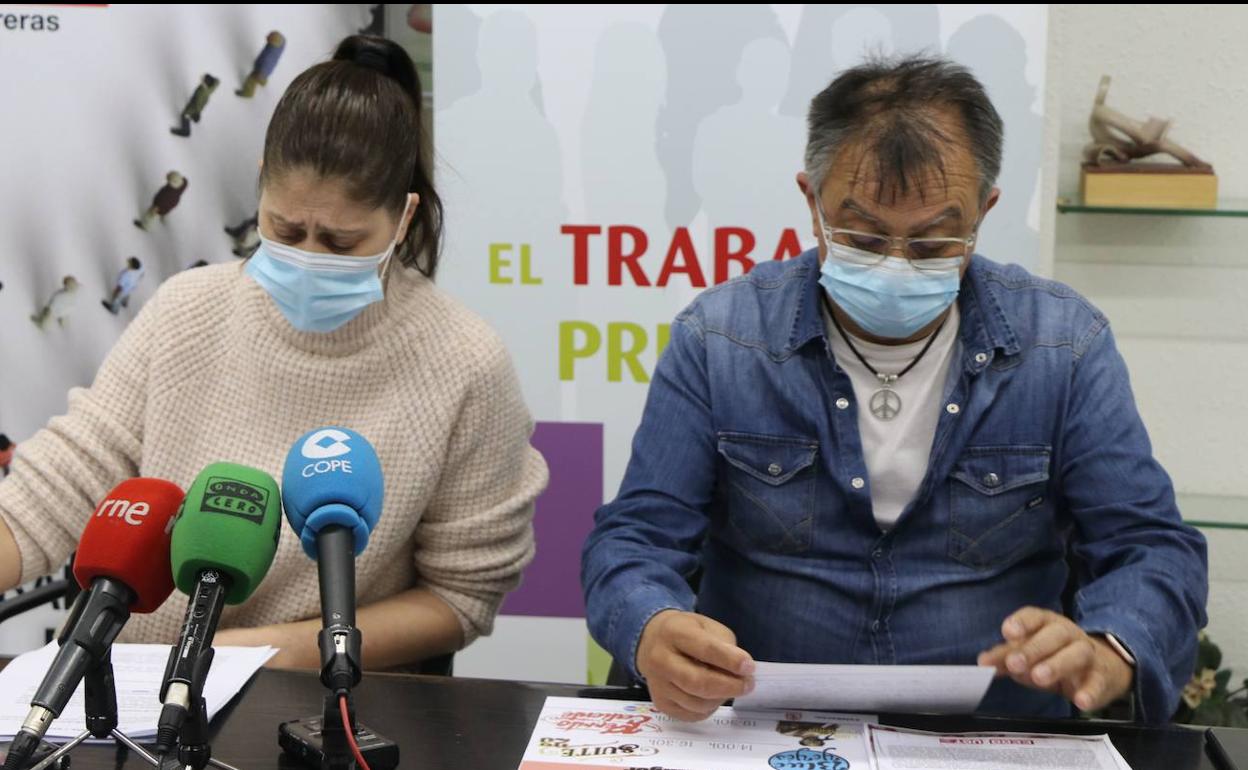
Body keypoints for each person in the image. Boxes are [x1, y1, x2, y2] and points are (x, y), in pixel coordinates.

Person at [582, 56, 1207, 724]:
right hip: (767, 731)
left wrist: (1111, 650)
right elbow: (635, 539)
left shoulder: (1064, 348)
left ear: (985, 210)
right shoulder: (721, 340)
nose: (895, 266)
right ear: (811, 200)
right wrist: (652, 627)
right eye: (863, 235)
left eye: (936, 242)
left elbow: (1151, 546)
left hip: (991, 735)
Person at [0, 35, 547, 671]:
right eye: (286, 230)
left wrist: (242, 659)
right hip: (130, 697)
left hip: (311, 708)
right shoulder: (187, 311)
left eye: (342, 242)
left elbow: (459, 598)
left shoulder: (464, 363)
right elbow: (54, 492)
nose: (309, 256)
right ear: (261, 186)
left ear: (403, 219)